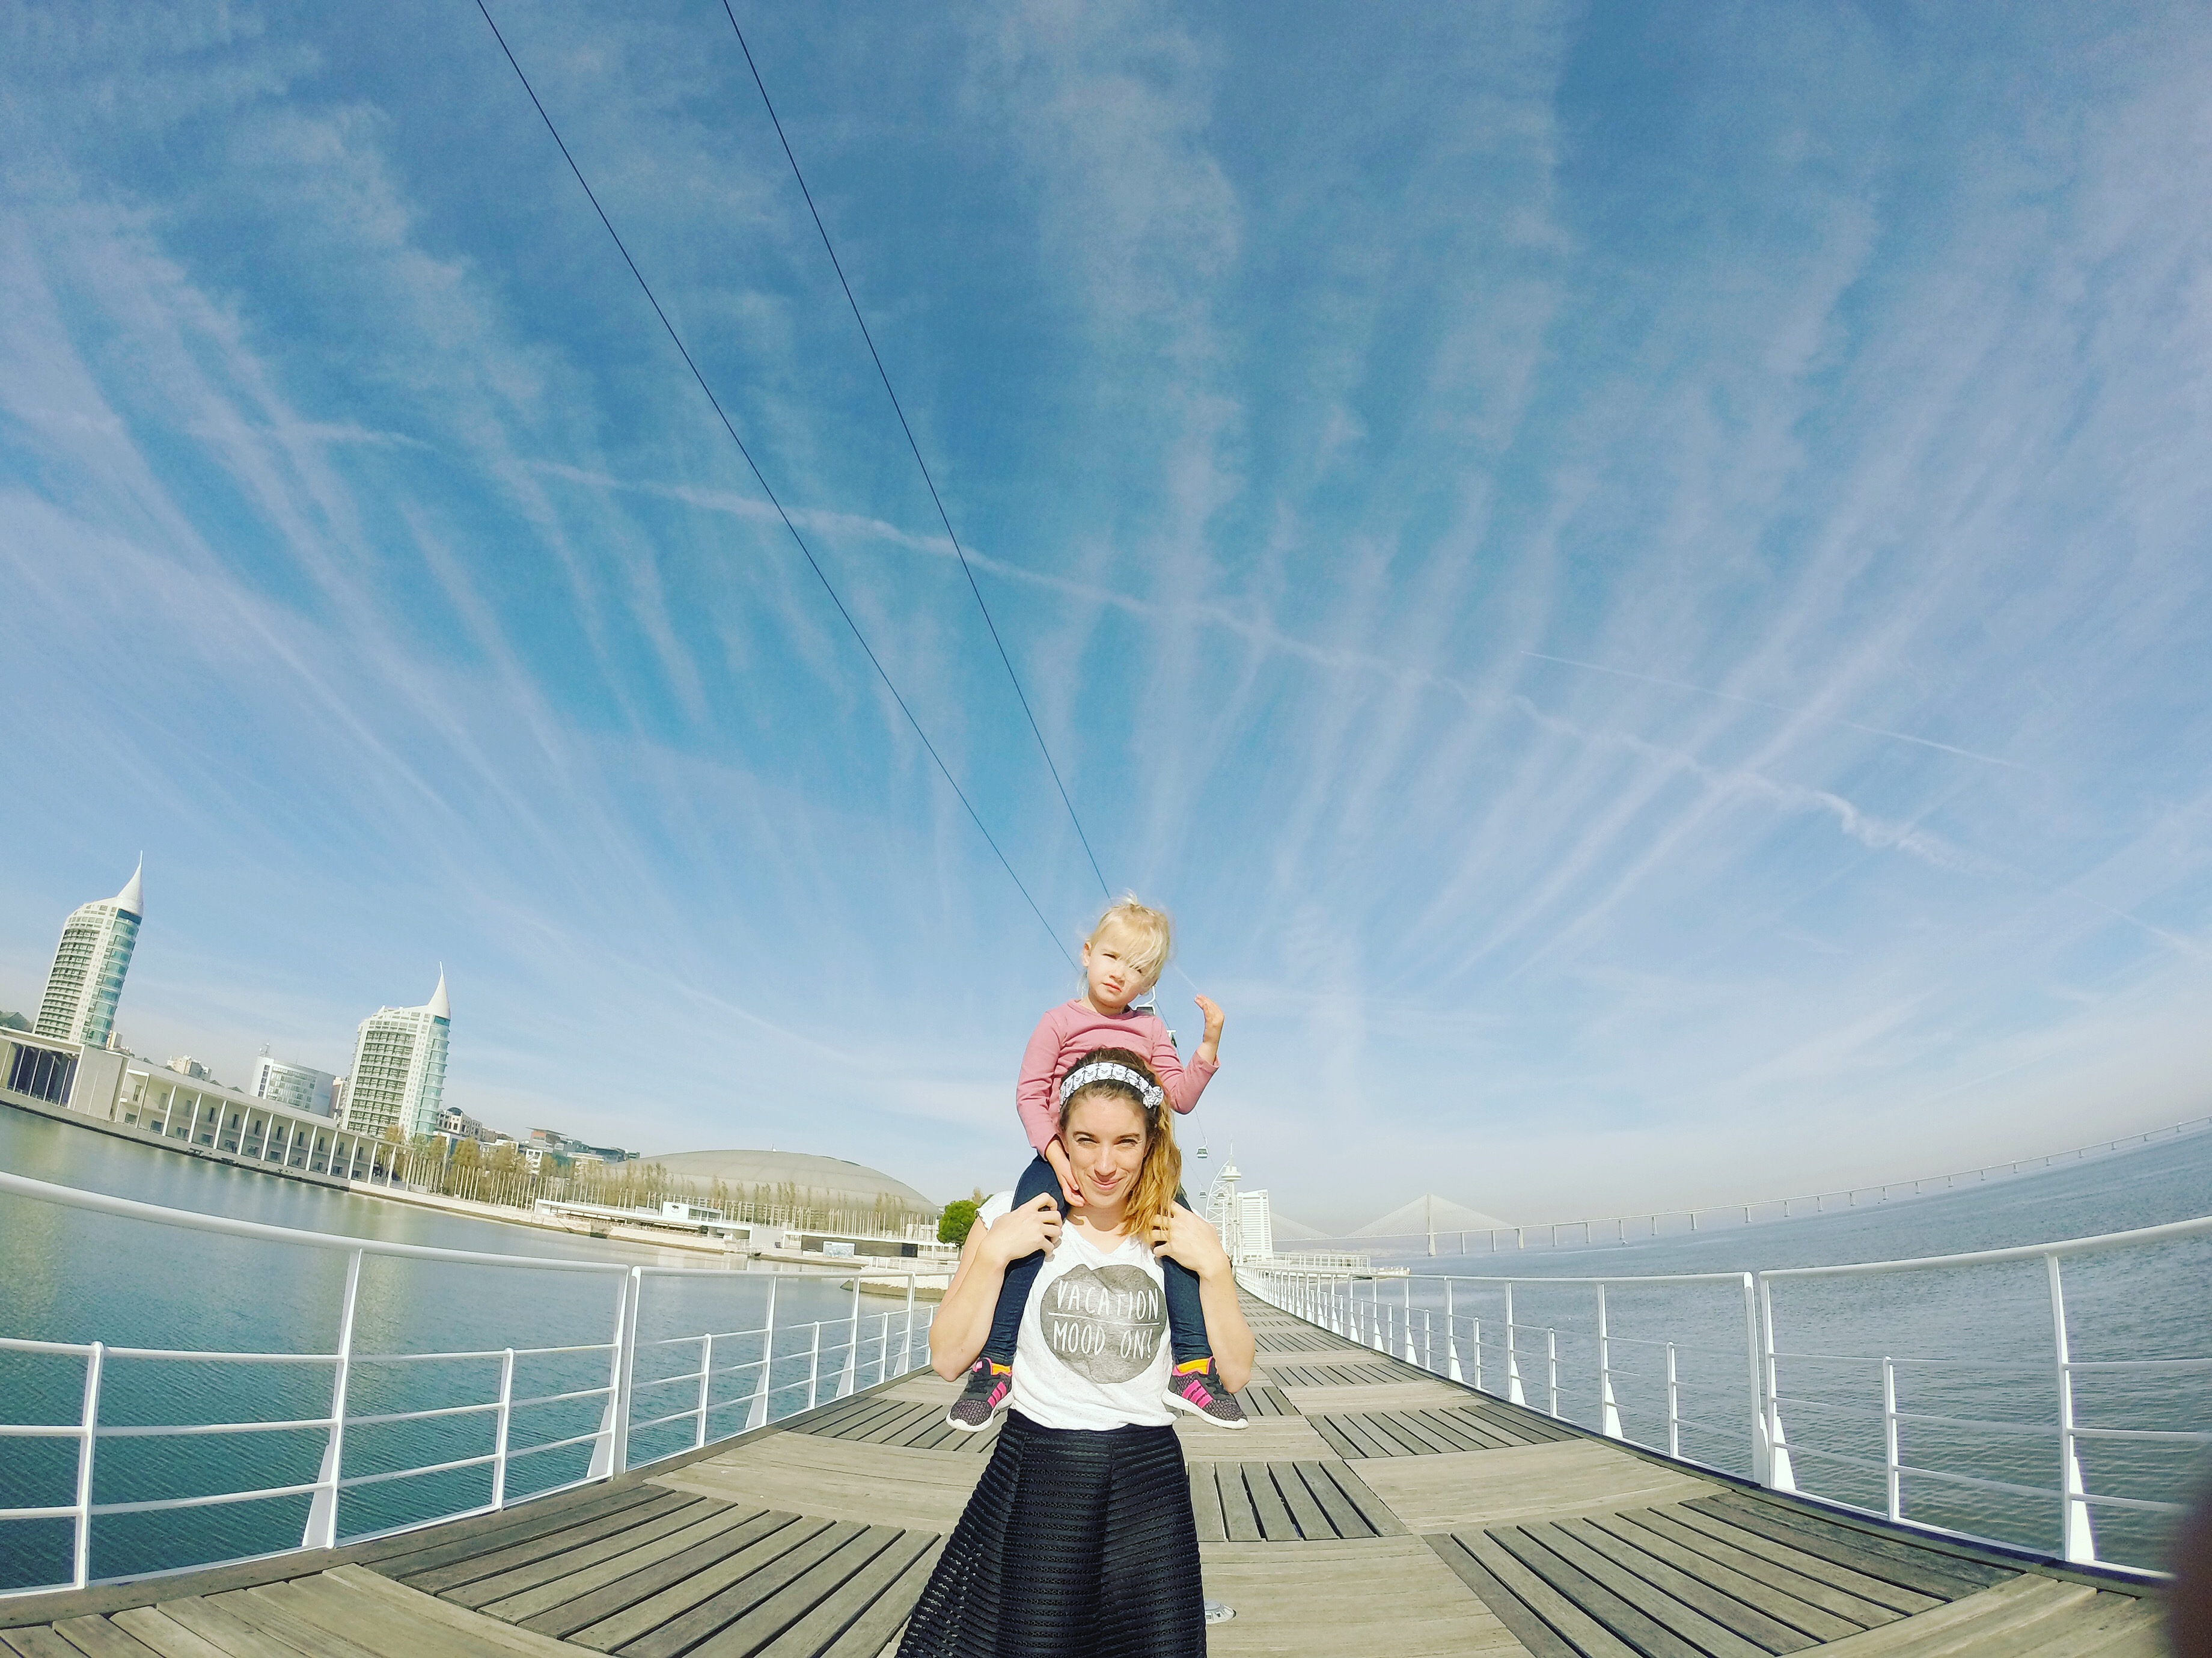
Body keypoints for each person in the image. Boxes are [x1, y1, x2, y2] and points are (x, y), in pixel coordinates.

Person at [899, 1049, 1255, 1656]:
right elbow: (948, 1357)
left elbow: (1236, 1372)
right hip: (1041, 1471)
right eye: (1086, 1140)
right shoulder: (1009, 1215)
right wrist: (994, 1254)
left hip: (1149, 1482)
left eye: (1125, 1142)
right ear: (1059, 1138)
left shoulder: (1176, 1229)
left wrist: (1215, 1269)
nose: (1105, 1164)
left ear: (1150, 1143)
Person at [946, 895, 1247, 1431]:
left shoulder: (1150, 1032)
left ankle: (1192, 1367)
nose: (1120, 974)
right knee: (1025, 1234)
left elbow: (1179, 1097)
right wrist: (1055, 1152)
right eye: (1112, 957)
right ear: (1088, 953)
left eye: (1138, 969)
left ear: (1150, 983)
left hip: (1137, 1166)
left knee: (1177, 1235)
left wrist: (1208, 1047)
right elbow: (1030, 1094)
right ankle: (995, 1364)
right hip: (1059, 1153)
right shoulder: (1059, 1022)